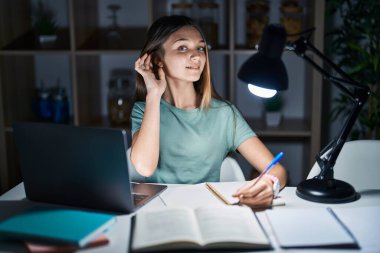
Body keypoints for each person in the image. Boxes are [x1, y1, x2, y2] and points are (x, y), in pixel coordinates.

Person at [130, 15, 287, 207]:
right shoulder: (144, 110)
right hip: (159, 210)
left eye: (201, 48)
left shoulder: (224, 114)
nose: (196, 56)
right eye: (182, 47)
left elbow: (277, 170)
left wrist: (269, 184)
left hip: (209, 210)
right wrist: (153, 94)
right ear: (158, 59)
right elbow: (145, 167)